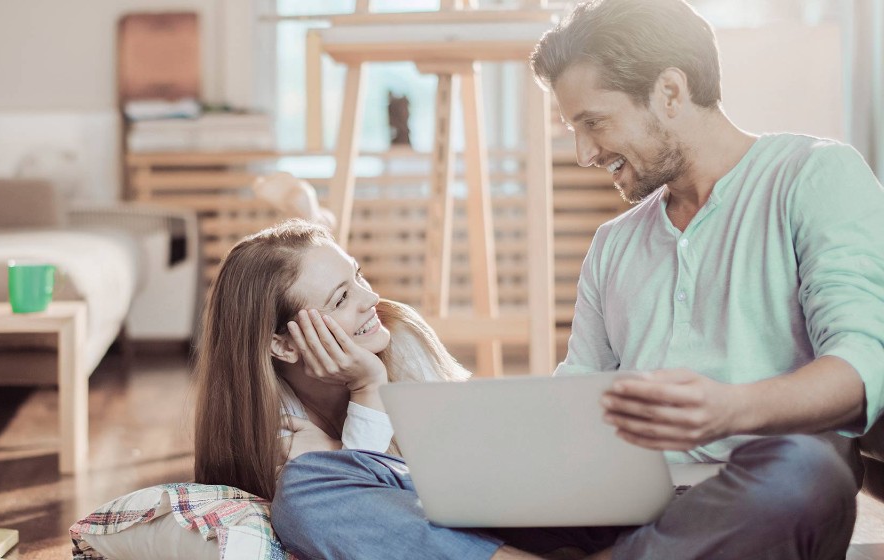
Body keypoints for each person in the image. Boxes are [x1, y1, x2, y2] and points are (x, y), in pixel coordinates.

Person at [269, 0, 884, 558]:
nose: (585, 153)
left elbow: (862, 369)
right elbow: (575, 406)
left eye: (594, 122)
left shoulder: (814, 176)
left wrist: (729, 410)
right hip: (613, 503)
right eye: (573, 130)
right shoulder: (614, 244)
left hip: (747, 485)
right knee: (314, 488)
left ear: (670, 90)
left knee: (810, 469)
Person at [192, 220, 474, 501]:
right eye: (341, 299)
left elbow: (458, 473)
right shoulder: (273, 417)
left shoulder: (401, 337)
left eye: (358, 275)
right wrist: (369, 386)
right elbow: (350, 507)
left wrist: (333, 450)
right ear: (282, 345)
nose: (372, 297)